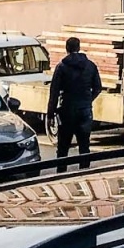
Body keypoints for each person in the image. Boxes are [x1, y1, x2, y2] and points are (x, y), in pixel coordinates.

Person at [47, 36, 102, 169]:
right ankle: (83, 173)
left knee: (63, 148)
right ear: (79, 47)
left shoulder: (61, 67)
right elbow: (98, 87)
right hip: (84, 111)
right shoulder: (90, 65)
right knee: (84, 147)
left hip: (67, 110)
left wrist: (50, 114)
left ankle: (61, 175)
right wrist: (88, 99)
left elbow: (54, 92)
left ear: (67, 49)